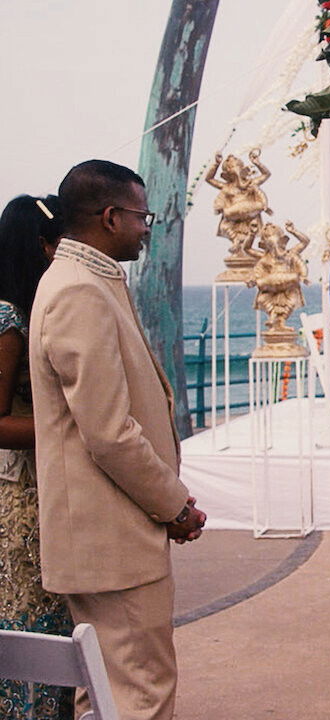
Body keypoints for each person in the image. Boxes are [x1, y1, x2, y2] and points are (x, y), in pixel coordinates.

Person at [29, 160, 207, 720]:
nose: (145, 228)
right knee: (141, 693)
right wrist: (173, 505)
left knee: (105, 694)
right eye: (141, 216)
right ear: (110, 217)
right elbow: (108, 433)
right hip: (112, 538)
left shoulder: (85, 279)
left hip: (107, 536)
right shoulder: (78, 290)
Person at [0, 194, 74, 719]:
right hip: (22, 496)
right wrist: (70, 428)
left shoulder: (38, 311)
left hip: (48, 486)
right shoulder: (8, 317)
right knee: (30, 619)